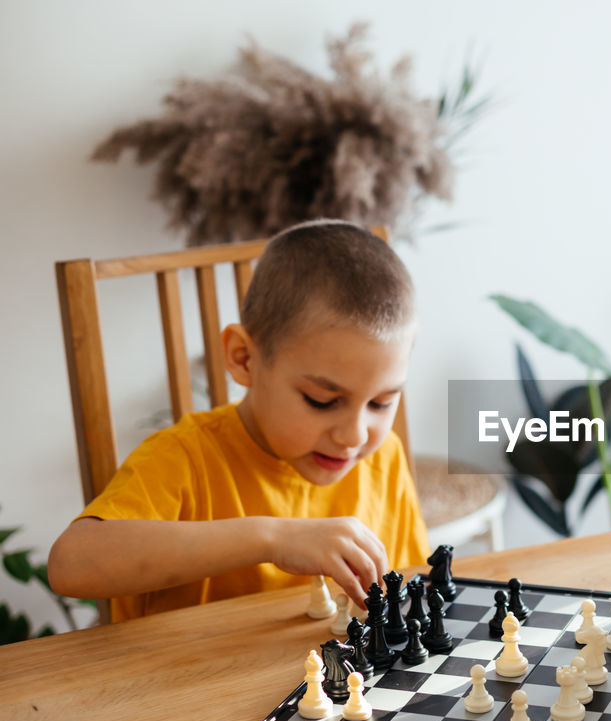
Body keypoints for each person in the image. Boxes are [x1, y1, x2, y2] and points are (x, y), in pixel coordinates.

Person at [48, 220, 429, 622]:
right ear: (243, 358)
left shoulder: (382, 456)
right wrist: (274, 538)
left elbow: (408, 583)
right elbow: (71, 563)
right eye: (322, 401)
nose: (354, 435)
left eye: (382, 403)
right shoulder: (185, 457)